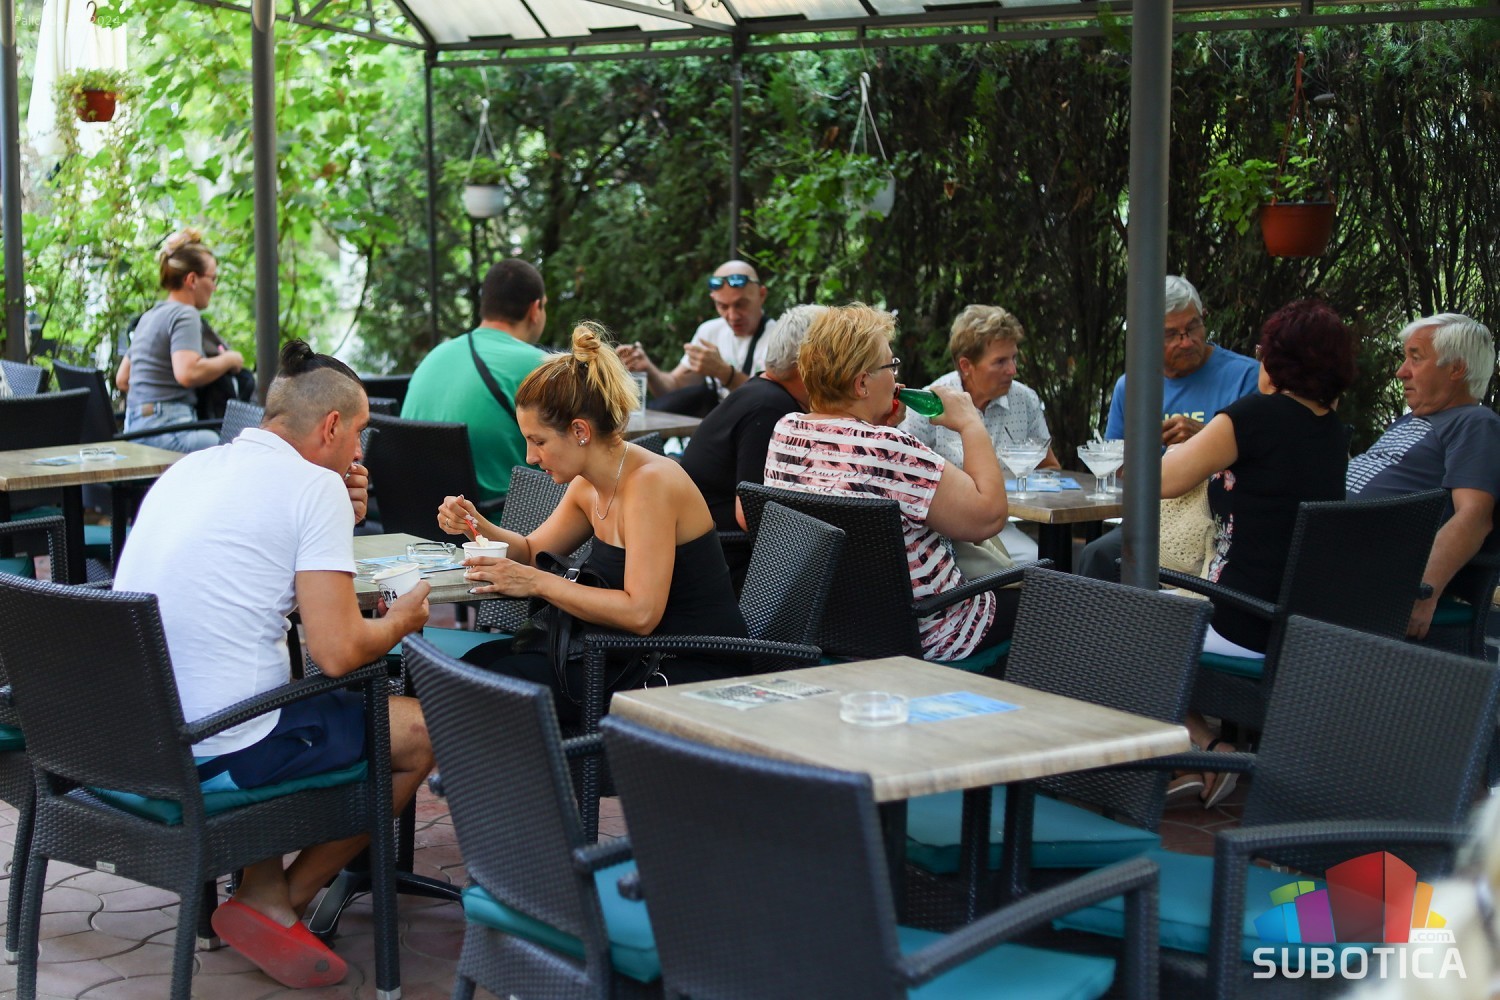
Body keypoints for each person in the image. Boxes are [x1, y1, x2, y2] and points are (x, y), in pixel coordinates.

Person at [112, 341, 433, 990]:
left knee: (276, 682)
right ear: (331, 426)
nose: (360, 453)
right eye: (359, 434)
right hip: (214, 747)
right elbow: (337, 653)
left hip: (130, 739)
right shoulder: (313, 486)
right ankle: (282, 898)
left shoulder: (190, 468)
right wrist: (401, 622)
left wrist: (339, 519)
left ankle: (262, 888)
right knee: (427, 731)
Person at [437, 323, 748, 722]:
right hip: (621, 655)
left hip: (685, 670)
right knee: (467, 669)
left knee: (479, 687)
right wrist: (476, 524)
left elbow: (641, 614)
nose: (530, 456)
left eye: (539, 441)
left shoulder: (651, 484)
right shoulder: (588, 484)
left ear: (580, 431)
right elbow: (531, 552)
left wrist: (537, 583)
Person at [1157, 299, 1357, 807]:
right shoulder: (1331, 430)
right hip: (1300, 621)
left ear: (1277, 359)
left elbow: (1161, 479)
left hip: (1242, 621)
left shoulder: (1255, 416)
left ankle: (1206, 749)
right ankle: (1189, 762)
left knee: (1111, 622)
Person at [763, 303, 1017, 663]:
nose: (896, 379)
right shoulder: (891, 449)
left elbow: (852, 463)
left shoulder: (786, 432)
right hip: (929, 632)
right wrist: (970, 422)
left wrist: (879, 427)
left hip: (826, 626)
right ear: (861, 383)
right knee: (1051, 603)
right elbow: (988, 517)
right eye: (890, 366)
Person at [1079, 275, 1263, 581]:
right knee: (1097, 556)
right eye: (1171, 334)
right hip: (1154, 518)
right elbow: (1116, 470)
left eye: (1193, 327)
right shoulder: (1132, 386)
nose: (1187, 341)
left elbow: (1262, 462)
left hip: (1223, 519)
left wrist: (1207, 439)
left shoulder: (1246, 377)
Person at [1345, 313, 1500, 639]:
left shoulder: (1475, 423)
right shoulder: (1410, 421)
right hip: (1325, 549)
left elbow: (1475, 517)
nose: (1401, 371)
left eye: (1415, 358)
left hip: (1358, 570)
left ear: (1456, 369)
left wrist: (1423, 591)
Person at [899, 304, 1059, 574]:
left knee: (1039, 564)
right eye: (1000, 362)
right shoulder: (930, 404)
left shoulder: (1025, 400)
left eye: (1014, 358)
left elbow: (1050, 468)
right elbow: (905, 479)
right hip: (942, 529)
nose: (1013, 370)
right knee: (1033, 567)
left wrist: (1011, 490)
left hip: (1002, 525)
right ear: (966, 366)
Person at [401, 258, 549, 503]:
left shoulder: (434, 357)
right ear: (535, 310)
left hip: (422, 515)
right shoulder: (540, 366)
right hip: (505, 518)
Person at [680, 303, 823, 535]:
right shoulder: (771, 408)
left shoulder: (762, 391)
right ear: (810, 363)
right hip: (723, 545)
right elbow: (752, 512)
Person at [117, 228, 246, 452]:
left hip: (135, 429)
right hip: (170, 430)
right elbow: (187, 373)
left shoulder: (149, 316)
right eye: (213, 278)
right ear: (192, 279)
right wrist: (230, 359)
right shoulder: (185, 314)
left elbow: (123, 379)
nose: (214, 287)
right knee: (234, 449)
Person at [616, 260, 776, 416]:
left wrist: (724, 373)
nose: (732, 316)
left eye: (741, 304)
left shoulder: (778, 338)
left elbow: (772, 401)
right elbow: (673, 389)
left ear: (762, 295)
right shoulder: (710, 332)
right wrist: (648, 369)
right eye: (723, 306)